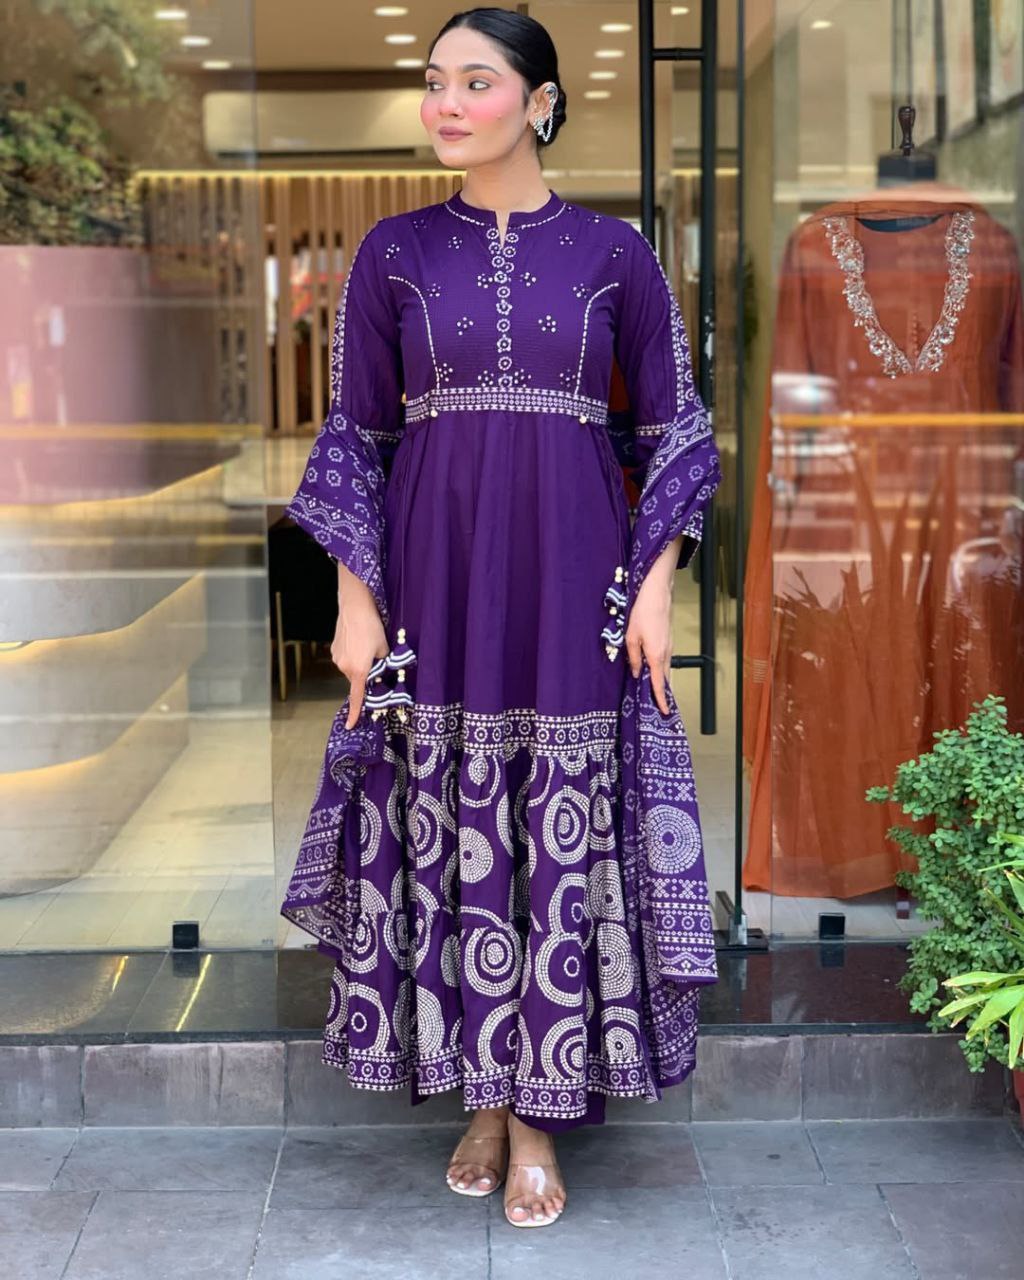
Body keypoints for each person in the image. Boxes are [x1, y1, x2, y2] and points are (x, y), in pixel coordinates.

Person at [280, 7, 722, 1230]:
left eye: (475, 82)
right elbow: (356, 437)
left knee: (552, 832)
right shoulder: (393, 252)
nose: (445, 103)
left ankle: (536, 1115)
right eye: (434, 81)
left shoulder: (617, 255)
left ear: (540, 102)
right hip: (434, 575)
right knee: (451, 827)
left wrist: (657, 582)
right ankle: (483, 1097)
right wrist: (354, 600)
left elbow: (674, 430)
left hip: (575, 577)